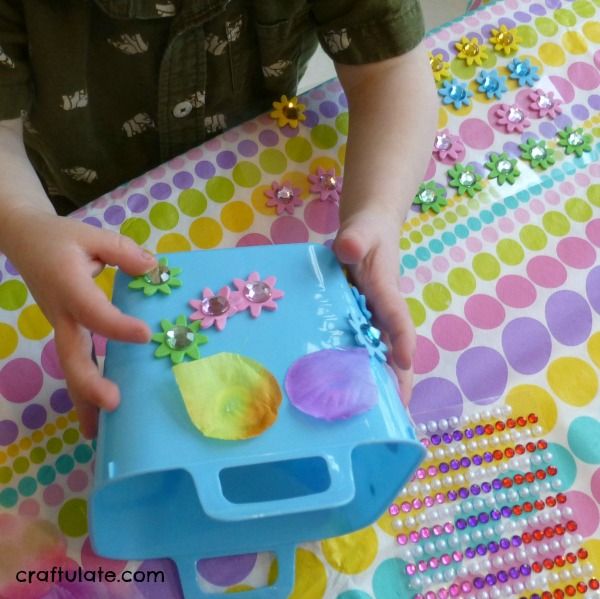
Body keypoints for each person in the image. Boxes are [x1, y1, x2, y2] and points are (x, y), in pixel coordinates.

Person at [0, 0, 438, 438]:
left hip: (252, 180)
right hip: (64, 210)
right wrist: (22, 221)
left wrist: (377, 210)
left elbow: (389, 71)